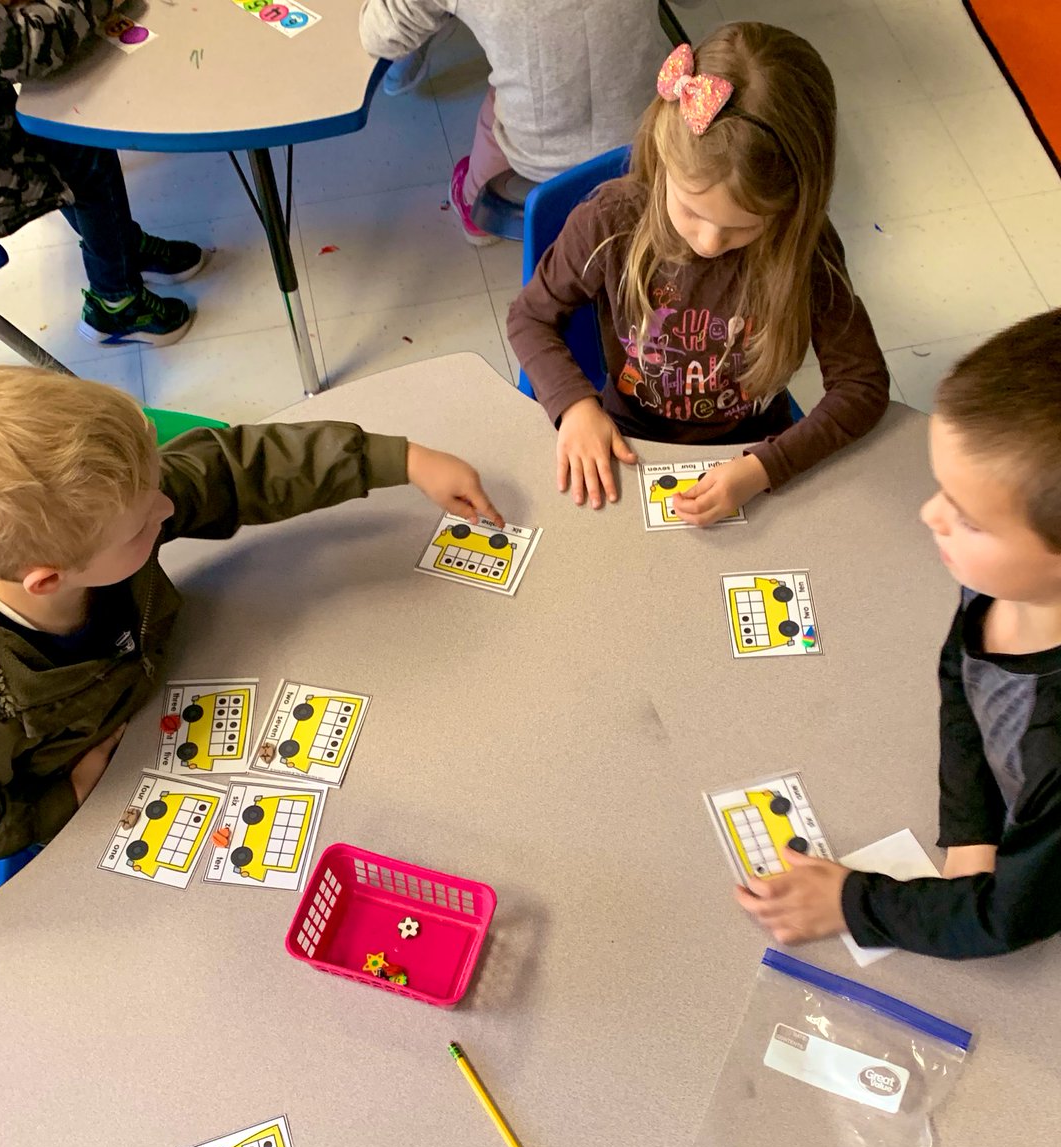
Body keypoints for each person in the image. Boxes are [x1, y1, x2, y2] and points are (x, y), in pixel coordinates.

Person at [0, 366, 503, 871]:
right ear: (49, 580)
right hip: (104, 803)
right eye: (144, 524)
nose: (167, 508)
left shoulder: (104, 512)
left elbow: (231, 470)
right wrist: (65, 799)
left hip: (171, 688)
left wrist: (398, 460)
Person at [737, 309, 1061, 959]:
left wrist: (854, 902)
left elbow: (1007, 919)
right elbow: (963, 680)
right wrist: (972, 831)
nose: (928, 514)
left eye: (967, 517)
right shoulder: (1004, 585)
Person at [506, 23, 889, 519]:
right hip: (626, 442)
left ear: (792, 210)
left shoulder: (805, 250)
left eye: (741, 228)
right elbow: (528, 318)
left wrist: (764, 467)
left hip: (750, 451)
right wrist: (575, 406)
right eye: (690, 210)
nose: (709, 242)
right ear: (664, 162)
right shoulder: (609, 221)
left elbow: (863, 387)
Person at [0, 0, 209, 346]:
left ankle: (122, 248)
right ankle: (116, 301)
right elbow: (23, 49)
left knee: (65, 139)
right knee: (78, 148)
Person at [358, 0, 665, 245]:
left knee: (504, 98)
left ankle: (476, 210)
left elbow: (380, 37)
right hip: (651, 138)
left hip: (539, 160)